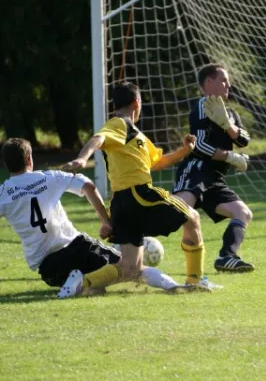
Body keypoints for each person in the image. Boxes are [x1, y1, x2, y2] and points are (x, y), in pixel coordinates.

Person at [61, 81, 217, 298]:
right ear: (137, 102)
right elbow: (99, 138)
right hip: (139, 194)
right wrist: (82, 158)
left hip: (123, 204)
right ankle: (195, 279)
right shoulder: (119, 124)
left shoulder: (137, 137)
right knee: (192, 217)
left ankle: (83, 281)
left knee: (131, 268)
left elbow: (158, 162)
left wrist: (184, 150)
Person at [0, 137, 123, 296]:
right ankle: (162, 280)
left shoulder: (3, 193)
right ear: (30, 158)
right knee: (127, 267)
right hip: (75, 250)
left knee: (95, 289)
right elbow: (88, 186)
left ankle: (79, 281)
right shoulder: (49, 177)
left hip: (49, 271)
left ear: (5, 164)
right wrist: (105, 221)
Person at [172, 63, 254, 273]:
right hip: (196, 171)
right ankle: (128, 243)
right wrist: (230, 156)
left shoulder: (230, 114)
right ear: (209, 82)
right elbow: (199, 146)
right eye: (224, 80)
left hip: (215, 179)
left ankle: (227, 257)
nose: (229, 84)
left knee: (243, 213)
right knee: (175, 213)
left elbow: (244, 139)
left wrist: (228, 125)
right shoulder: (203, 105)